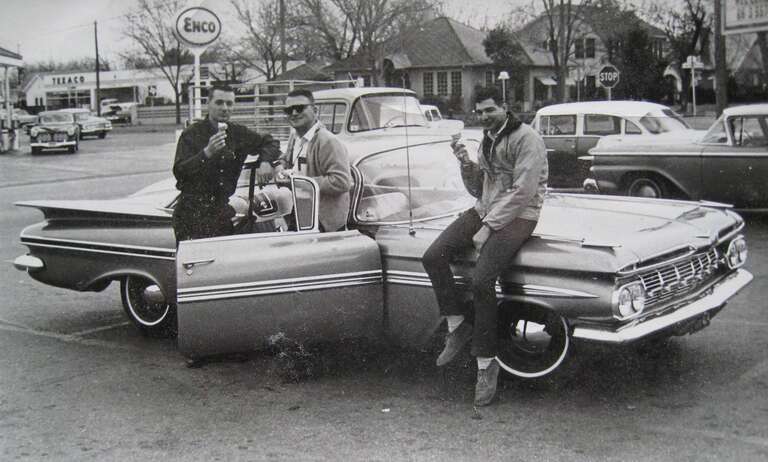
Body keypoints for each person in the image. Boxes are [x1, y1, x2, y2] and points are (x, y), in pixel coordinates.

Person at [422, 87, 548, 406]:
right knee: (433, 255)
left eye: (489, 110)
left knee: (482, 280)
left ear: (505, 107)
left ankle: (485, 365)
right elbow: (480, 188)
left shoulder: (526, 138)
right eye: (479, 112)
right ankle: (457, 325)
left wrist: (488, 227)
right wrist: (466, 163)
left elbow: (523, 191)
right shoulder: (488, 138)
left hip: (521, 214)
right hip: (486, 208)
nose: (483, 117)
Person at [172, 84, 281, 242]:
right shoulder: (192, 133)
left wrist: (265, 162)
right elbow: (179, 172)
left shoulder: (238, 133)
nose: (225, 108)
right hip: (191, 214)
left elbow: (270, 142)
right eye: (219, 102)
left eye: (229, 104)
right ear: (208, 104)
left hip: (220, 211)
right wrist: (206, 153)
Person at [274, 89, 352, 232]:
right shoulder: (295, 136)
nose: (294, 113)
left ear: (315, 110)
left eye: (300, 108)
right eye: (288, 110)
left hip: (324, 221)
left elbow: (342, 182)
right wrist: (279, 167)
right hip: (302, 211)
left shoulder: (328, 141)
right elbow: (286, 160)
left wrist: (297, 182)